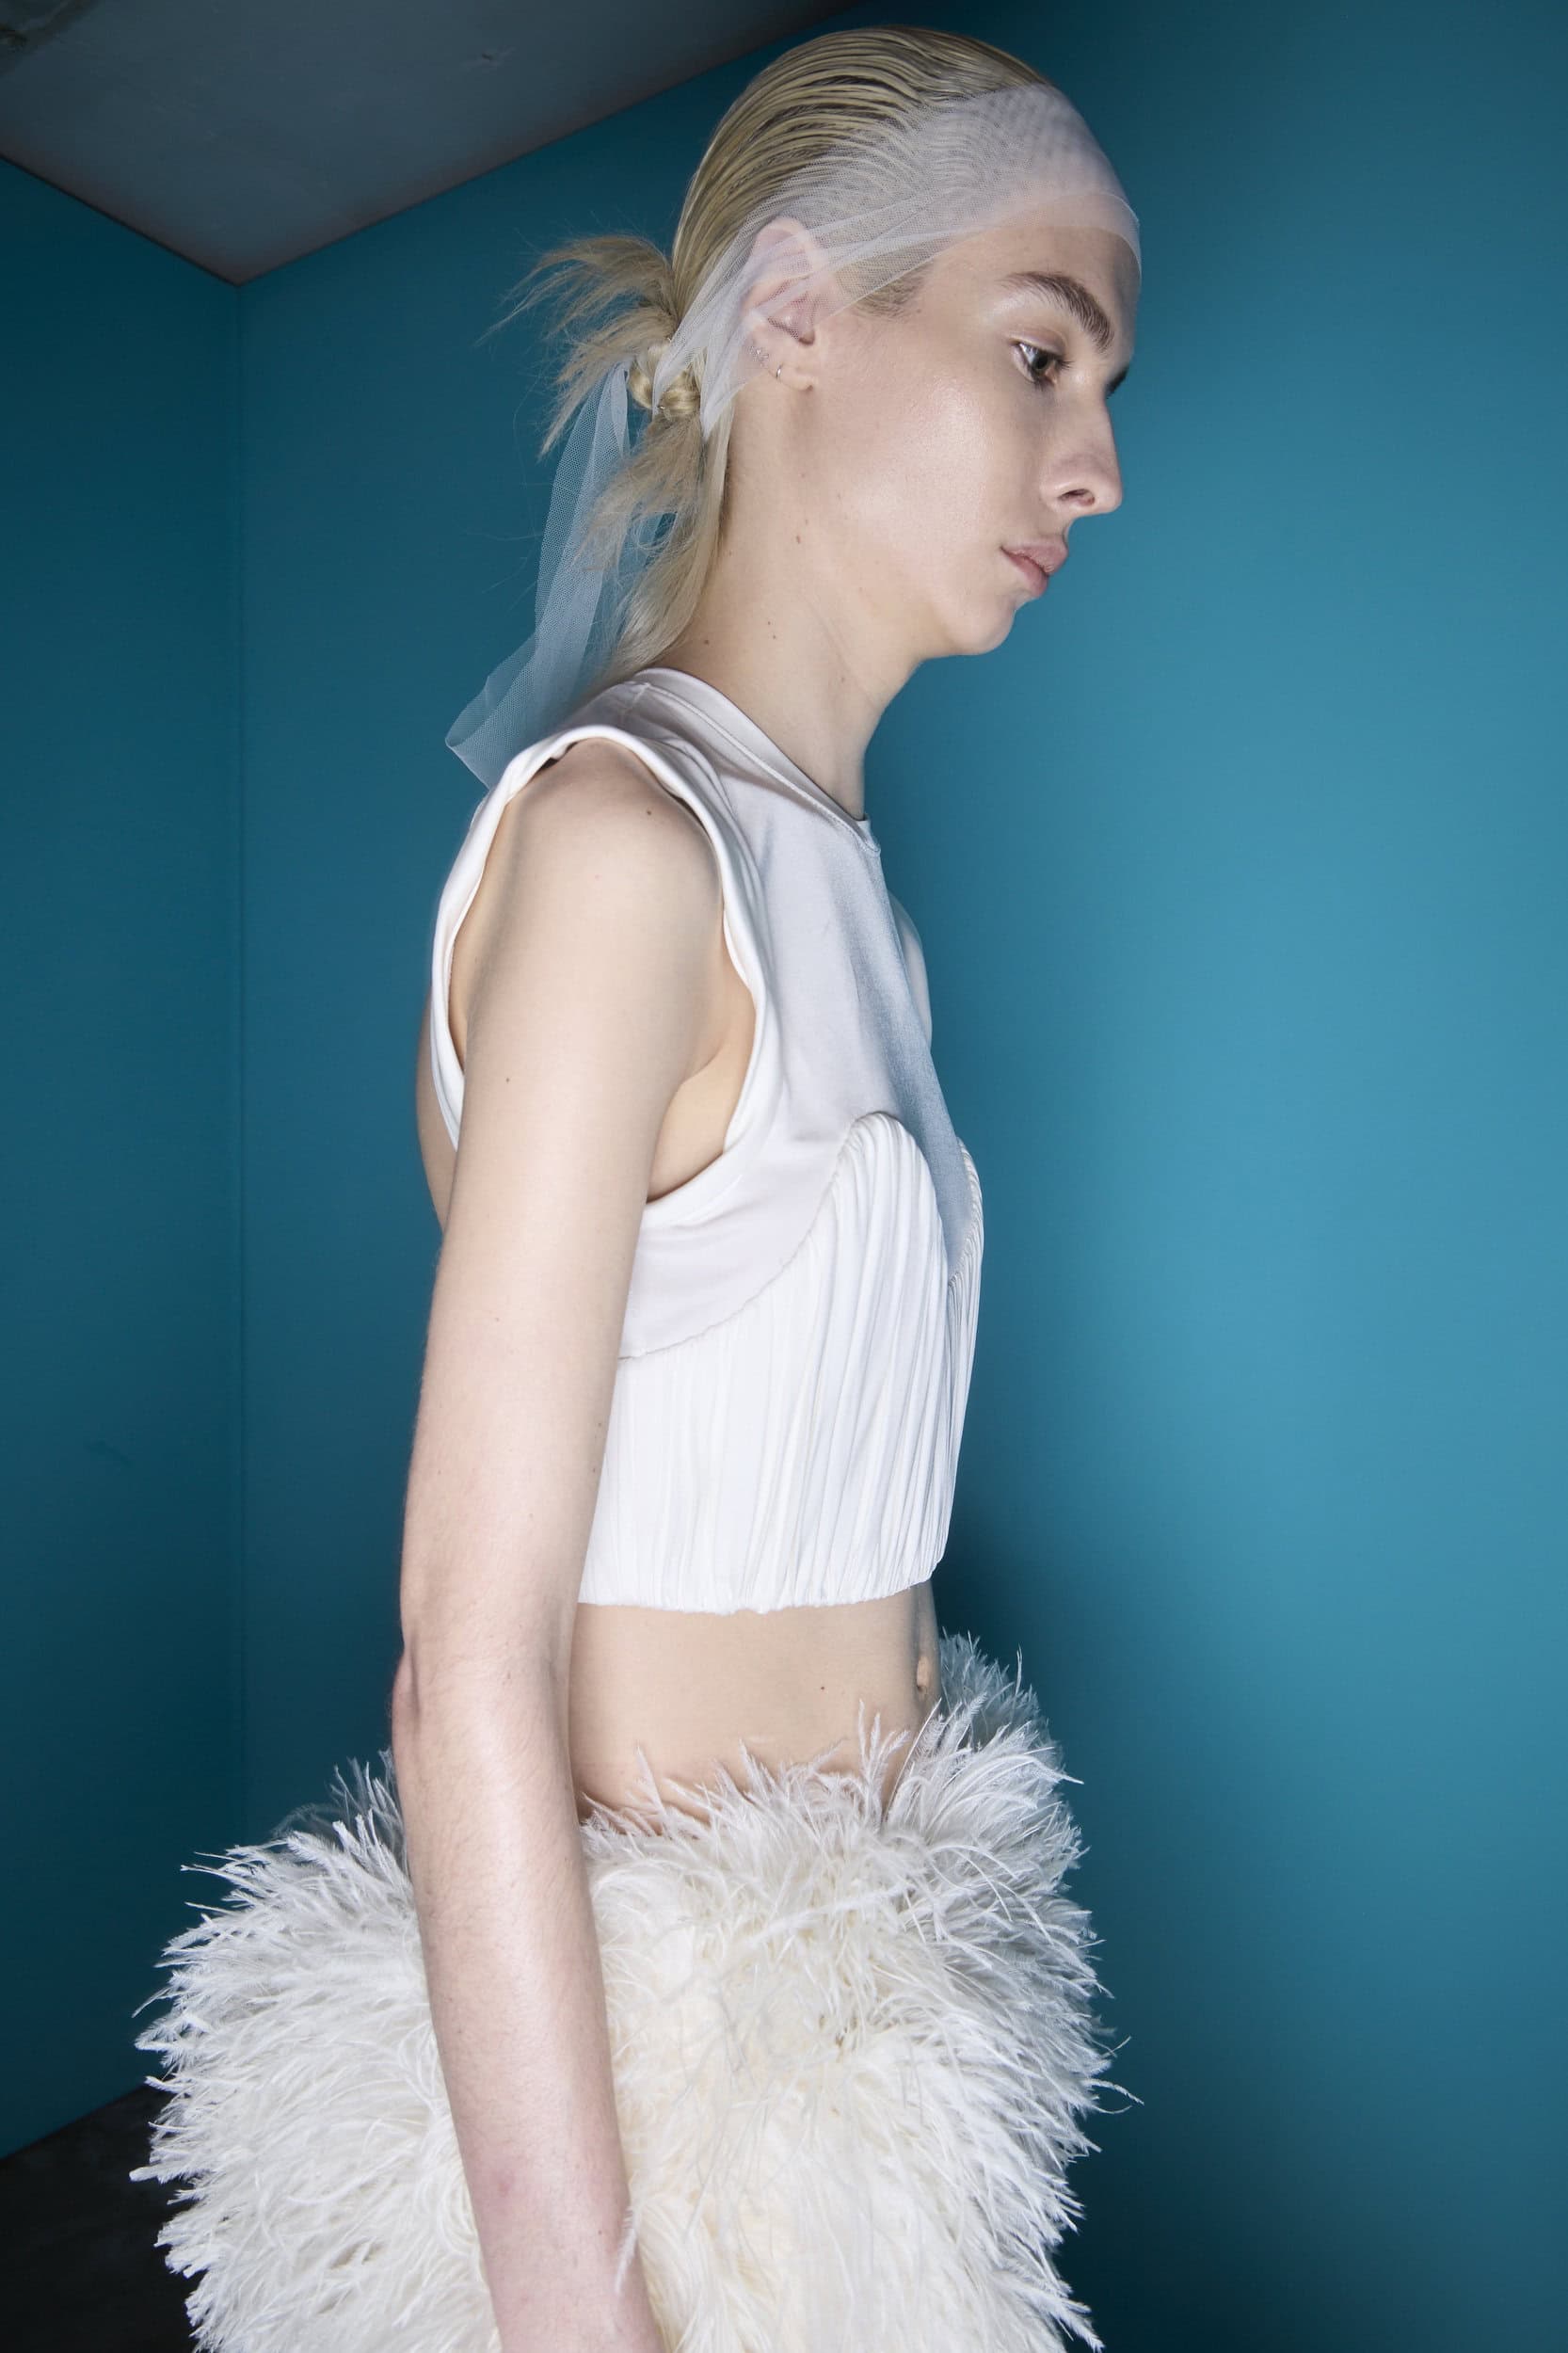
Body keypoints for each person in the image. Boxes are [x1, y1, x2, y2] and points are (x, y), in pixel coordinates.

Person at [133, 24, 1141, 2352]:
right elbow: (461, 1656)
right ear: (793, 311)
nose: (1094, 463)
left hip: (865, 2070)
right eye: (1038, 354)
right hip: (646, 2144)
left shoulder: (841, 890)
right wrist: (580, 2319)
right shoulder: (622, 848)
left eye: (1101, 388)